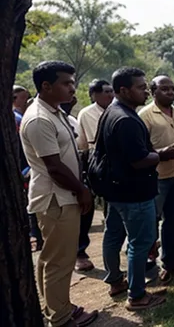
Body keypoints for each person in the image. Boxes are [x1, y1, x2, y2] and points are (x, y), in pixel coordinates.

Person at [20, 61, 98, 327]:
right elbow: (54, 166)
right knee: (59, 262)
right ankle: (61, 318)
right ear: (46, 85)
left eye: (72, 82)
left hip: (62, 196)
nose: (72, 88)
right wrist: (82, 190)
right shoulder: (39, 118)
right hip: (57, 198)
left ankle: (57, 306)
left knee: (51, 259)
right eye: (66, 83)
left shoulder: (54, 112)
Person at [97, 67, 165, 310]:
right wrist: (163, 154)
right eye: (140, 87)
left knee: (113, 234)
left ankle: (116, 280)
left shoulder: (111, 112)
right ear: (123, 90)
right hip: (133, 191)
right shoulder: (125, 119)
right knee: (141, 241)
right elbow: (138, 160)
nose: (146, 91)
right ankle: (136, 295)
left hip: (115, 189)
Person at [138, 75, 174, 282]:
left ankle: (171, 259)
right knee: (151, 222)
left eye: (171, 88)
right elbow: (140, 149)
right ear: (153, 92)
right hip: (157, 177)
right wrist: (163, 152)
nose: (170, 92)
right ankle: (147, 264)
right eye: (164, 89)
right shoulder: (145, 115)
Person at [72, 79, 113, 272]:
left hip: (115, 165)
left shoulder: (115, 109)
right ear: (94, 95)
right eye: (105, 92)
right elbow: (93, 141)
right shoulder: (87, 113)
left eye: (111, 91)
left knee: (113, 208)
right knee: (88, 211)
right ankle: (80, 251)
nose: (109, 95)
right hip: (94, 164)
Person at [14, 85, 41, 250]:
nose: (27, 100)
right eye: (24, 97)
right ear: (14, 98)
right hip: (25, 169)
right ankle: (35, 237)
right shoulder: (17, 119)